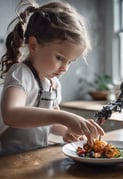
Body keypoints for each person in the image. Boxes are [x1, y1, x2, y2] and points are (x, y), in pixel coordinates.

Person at [0, 0, 104, 155]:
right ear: (34, 45)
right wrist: (65, 117)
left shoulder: (53, 84)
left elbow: (51, 122)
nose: (65, 68)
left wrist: (66, 131)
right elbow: (11, 114)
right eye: (60, 58)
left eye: (70, 62)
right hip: (8, 160)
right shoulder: (21, 73)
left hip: (34, 157)